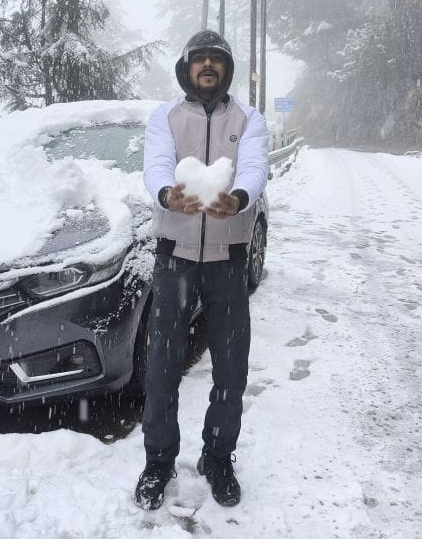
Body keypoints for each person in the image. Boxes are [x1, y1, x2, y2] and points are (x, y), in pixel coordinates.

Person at [135, 29, 269, 510]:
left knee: (230, 368)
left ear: (226, 69)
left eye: (216, 59)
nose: (208, 65)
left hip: (228, 260)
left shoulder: (247, 119)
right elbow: (155, 165)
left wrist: (239, 198)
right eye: (200, 58)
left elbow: (254, 167)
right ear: (187, 66)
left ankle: (217, 457)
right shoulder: (166, 116)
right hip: (175, 256)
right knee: (162, 365)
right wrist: (166, 194)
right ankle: (158, 461)